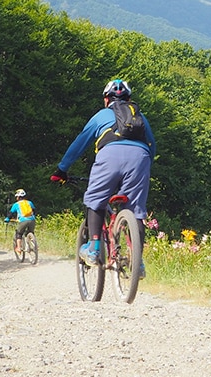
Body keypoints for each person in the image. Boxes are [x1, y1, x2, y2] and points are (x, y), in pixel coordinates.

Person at [51, 79, 155, 271]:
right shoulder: (140, 117)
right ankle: (138, 262)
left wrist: (62, 169)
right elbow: (152, 145)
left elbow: (80, 143)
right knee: (136, 211)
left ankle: (94, 248)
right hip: (140, 159)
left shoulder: (101, 115)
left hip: (109, 156)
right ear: (128, 99)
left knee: (96, 199)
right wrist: (146, 167)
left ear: (106, 99)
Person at [6, 189, 37, 254]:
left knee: (19, 233)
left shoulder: (16, 204)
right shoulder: (29, 202)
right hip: (32, 220)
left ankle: (19, 247)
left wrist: (7, 219)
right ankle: (33, 244)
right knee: (30, 232)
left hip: (23, 220)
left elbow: (11, 213)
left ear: (18, 197)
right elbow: (34, 210)